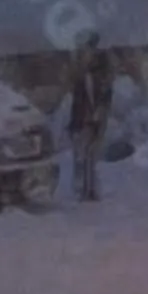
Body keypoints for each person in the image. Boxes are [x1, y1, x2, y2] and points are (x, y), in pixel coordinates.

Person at [57, 27, 117, 202]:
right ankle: (82, 188)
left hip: (94, 118)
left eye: (84, 48)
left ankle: (90, 189)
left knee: (91, 153)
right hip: (81, 118)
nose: (81, 52)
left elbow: (103, 95)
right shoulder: (80, 72)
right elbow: (72, 92)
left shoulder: (100, 72)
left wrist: (99, 114)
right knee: (81, 153)